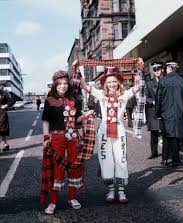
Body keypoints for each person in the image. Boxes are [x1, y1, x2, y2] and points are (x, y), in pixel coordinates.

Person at [73, 62, 141, 204]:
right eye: (109, 82)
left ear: (119, 82)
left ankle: (121, 192)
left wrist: (139, 68)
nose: (112, 84)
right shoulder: (100, 93)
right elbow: (84, 86)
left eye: (114, 81)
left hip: (119, 129)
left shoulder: (125, 94)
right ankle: (111, 190)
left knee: (121, 158)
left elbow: (137, 86)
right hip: (104, 130)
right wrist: (77, 68)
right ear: (105, 83)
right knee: (106, 159)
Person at [41, 70, 93, 215]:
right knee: (58, 168)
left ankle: (72, 198)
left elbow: (75, 120)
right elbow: (46, 121)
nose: (63, 86)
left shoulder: (73, 99)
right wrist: (46, 138)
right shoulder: (50, 100)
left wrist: (85, 116)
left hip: (73, 137)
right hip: (57, 138)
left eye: (65, 83)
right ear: (55, 85)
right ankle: (53, 202)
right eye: (60, 84)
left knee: (74, 166)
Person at [155, 61, 183, 167]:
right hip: (180, 113)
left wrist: (157, 112)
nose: (166, 70)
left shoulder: (163, 80)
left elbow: (158, 98)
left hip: (165, 112)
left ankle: (166, 159)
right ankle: (175, 159)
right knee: (176, 136)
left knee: (167, 136)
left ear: (170, 68)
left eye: (167, 68)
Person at [145, 62, 164, 160]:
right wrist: (152, 101)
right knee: (154, 134)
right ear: (153, 71)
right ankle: (154, 152)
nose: (157, 71)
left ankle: (166, 152)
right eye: (155, 70)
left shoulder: (166, 80)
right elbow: (145, 97)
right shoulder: (149, 83)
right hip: (153, 110)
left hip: (165, 110)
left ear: (162, 70)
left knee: (166, 133)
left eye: (159, 69)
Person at [0, 86, 11, 153]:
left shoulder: (3, 94)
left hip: (2, 114)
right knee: (2, 132)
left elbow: (12, 100)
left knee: (1, 130)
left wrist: (6, 105)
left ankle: (6, 145)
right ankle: (6, 145)